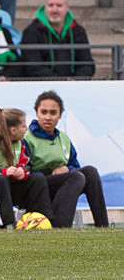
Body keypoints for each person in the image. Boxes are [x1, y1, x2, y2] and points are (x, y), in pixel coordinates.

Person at [24, 91, 109, 228]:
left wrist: (67, 169)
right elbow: (26, 170)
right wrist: (51, 173)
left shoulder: (63, 138)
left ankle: (103, 226)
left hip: (66, 181)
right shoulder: (27, 138)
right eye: (44, 112)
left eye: (53, 113)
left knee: (90, 172)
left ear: (60, 115)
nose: (48, 117)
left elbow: (75, 165)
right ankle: (61, 227)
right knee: (76, 177)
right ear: (36, 113)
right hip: (39, 185)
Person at [20, 0, 95, 78]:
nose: (54, 10)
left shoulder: (78, 31)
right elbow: (33, 67)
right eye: (50, 5)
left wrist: (77, 80)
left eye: (59, 6)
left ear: (67, 8)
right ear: (45, 7)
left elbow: (87, 64)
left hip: (74, 84)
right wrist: (61, 81)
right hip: (43, 85)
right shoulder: (31, 32)